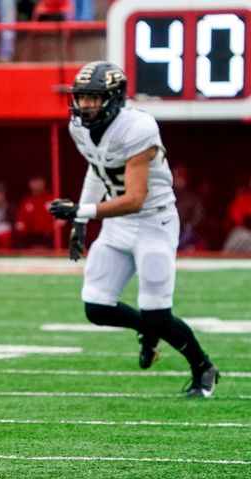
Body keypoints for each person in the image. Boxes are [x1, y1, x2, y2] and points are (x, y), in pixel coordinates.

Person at [49, 60, 218, 397]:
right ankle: (151, 330)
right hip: (117, 223)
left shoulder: (139, 128)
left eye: (93, 98)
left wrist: (80, 211)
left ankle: (203, 367)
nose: (84, 105)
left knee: (159, 311)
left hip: (154, 222)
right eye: (81, 97)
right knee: (96, 307)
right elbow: (96, 169)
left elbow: (136, 198)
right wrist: (80, 223)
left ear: (114, 99)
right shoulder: (78, 126)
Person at [14, 175, 54, 248]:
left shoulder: (52, 198)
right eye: (34, 182)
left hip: (48, 233)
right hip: (31, 234)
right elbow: (21, 219)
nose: (37, 185)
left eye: (39, 181)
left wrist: (52, 227)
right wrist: (21, 226)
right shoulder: (27, 201)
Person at [171, 165, 204, 250]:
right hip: (170, 227)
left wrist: (189, 224)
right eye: (175, 177)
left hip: (184, 229)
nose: (176, 180)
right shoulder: (166, 195)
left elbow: (198, 215)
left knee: (188, 233)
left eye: (179, 177)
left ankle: (176, 249)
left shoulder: (191, 197)